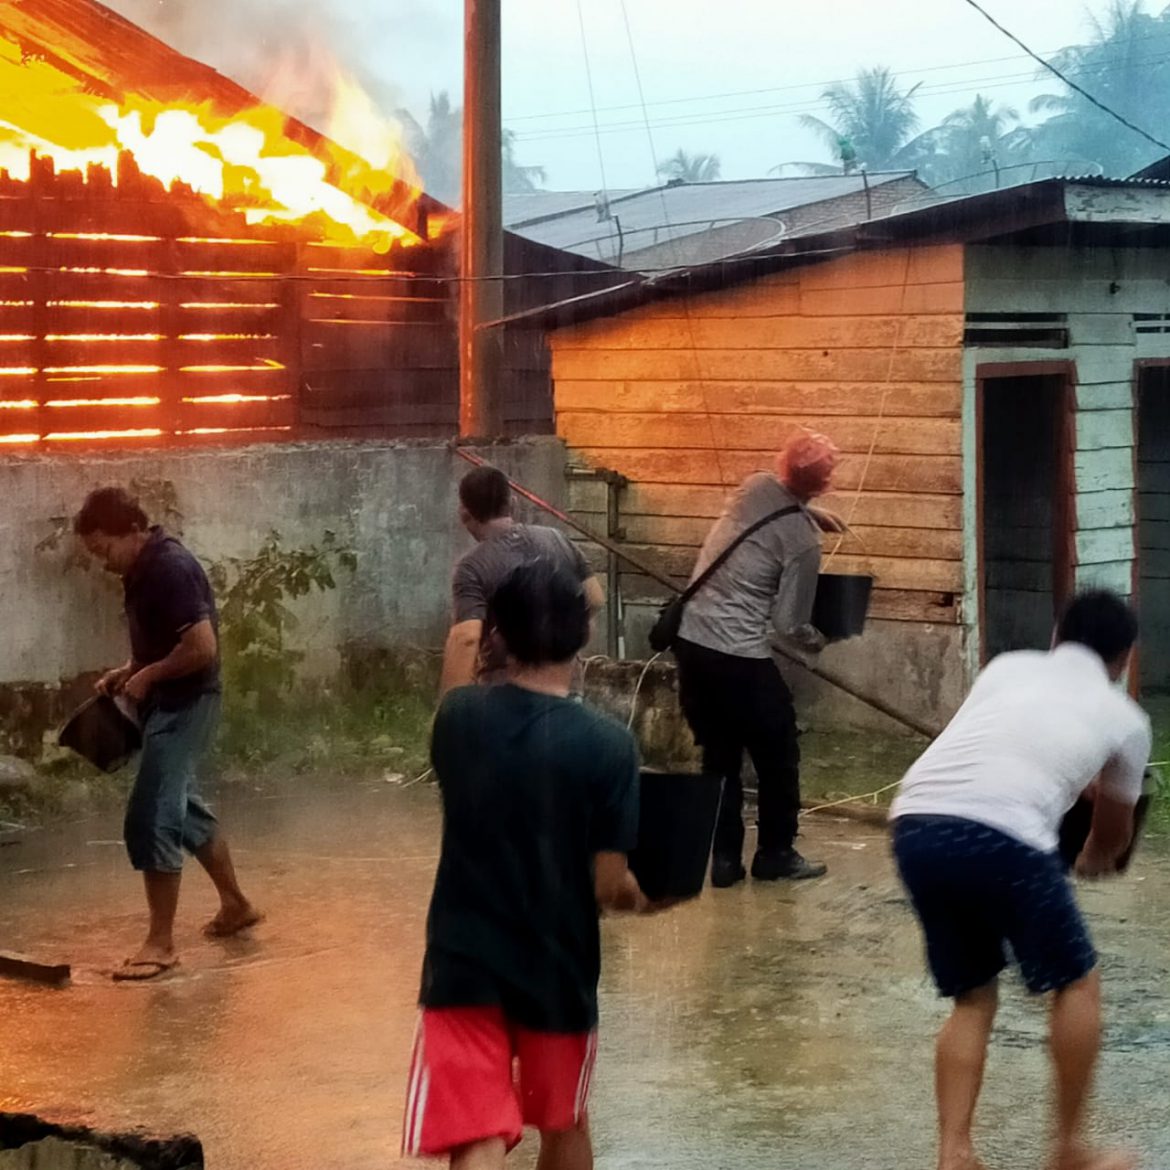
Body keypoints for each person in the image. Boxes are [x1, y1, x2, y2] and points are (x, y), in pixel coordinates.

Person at [405, 559, 662, 1169]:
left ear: (496, 634)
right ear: (583, 637)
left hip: (462, 965)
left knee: (477, 1132)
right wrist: (649, 894)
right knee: (564, 1122)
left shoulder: (457, 719)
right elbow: (608, 885)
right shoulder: (608, 746)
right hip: (558, 972)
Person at [890, 590, 1150, 1170]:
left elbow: (1007, 746)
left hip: (917, 822)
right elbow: (1111, 836)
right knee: (1077, 982)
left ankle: (954, 1152)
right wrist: (1088, 862)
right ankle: (1068, 1149)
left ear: (1058, 634)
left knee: (973, 996)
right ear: (1123, 658)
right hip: (1004, 836)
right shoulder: (1127, 720)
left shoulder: (1006, 668)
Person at [75, 487, 262, 981]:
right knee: (186, 812)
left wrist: (149, 677)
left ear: (132, 530)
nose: (102, 562)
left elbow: (201, 648)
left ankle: (161, 944)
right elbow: (164, 644)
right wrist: (129, 669)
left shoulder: (168, 568)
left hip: (188, 703)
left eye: (104, 549)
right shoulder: (142, 569)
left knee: (153, 813)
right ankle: (236, 905)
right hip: (170, 701)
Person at [673, 430, 841, 888]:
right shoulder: (803, 543)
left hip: (691, 642)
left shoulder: (753, 486)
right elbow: (789, 623)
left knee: (719, 755)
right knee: (779, 752)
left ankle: (725, 861)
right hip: (738, 655)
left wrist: (809, 512)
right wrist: (820, 640)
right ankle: (776, 853)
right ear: (823, 485)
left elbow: (774, 507)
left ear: (781, 463)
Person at [439, 465, 604, 698]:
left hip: (505, 689)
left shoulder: (472, 567)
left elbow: (466, 639)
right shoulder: (557, 539)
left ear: (464, 513)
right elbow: (595, 598)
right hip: (564, 685)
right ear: (512, 503)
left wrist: (449, 710)